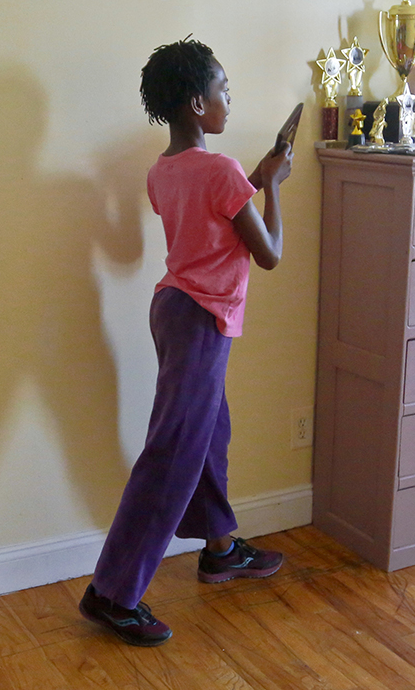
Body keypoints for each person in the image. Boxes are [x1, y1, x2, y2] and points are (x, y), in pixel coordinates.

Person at [79, 37, 293, 647]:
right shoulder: (222, 172)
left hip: (175, 309)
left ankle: (220, 547)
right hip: (201, 317)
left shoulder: (161, 172)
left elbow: (215, 222)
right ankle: (112, 592)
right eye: (224, 90)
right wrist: (273, 183)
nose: (231, 99)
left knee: (207, 435)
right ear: (198, 103)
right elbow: (269, 253)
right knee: (174, 450)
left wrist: (257, 179)